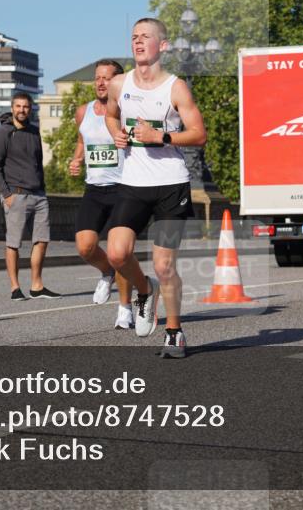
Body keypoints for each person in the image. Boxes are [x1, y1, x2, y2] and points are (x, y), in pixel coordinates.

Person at [105, 18, 207, 359]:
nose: (138, 41)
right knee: (117, 254)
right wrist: (116, 134)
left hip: (171, 184)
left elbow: (198, 134)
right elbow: (110, 115)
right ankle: (145, 290)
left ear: (162, 45)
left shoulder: (176, 88)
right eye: (134, 36)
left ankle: (174, 332)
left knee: (164, 266)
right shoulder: (119, 84)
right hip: (132, 182)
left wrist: (160, 136)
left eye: (145, 37)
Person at [69, 59, 134, 326]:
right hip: (94, 189)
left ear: (118, 81)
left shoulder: (127, 111)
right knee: (85, 247)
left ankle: (125, 309)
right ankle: (106, 272)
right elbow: (82, 140)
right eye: (97, 77)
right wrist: (77, 159)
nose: (101, 82)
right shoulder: (83, 112)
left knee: (120, 252)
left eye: (107, 78)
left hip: (124, 189)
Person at [0, 92, 60, 301]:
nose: (22, 110)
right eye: (18, 106)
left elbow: (38, 164)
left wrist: (43, 189)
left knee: (42, 240)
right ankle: (15, 288)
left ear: (30, 109)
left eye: (26, 107)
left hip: (38, 195)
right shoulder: (2, 133)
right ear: (12, 108)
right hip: (16, 194)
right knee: (14, 243)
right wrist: (6, 194)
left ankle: (37, 286)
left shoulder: (34, 132)